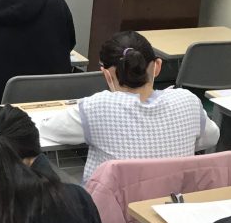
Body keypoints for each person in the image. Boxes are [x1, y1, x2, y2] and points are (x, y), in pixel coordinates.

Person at [38, 31, 220, 182]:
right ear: (157, 66)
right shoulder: (187, 100)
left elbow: (48, 130)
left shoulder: (97, 107)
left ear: (106, 75)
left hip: (112, 210)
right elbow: (212, 137)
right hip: (172, 205)